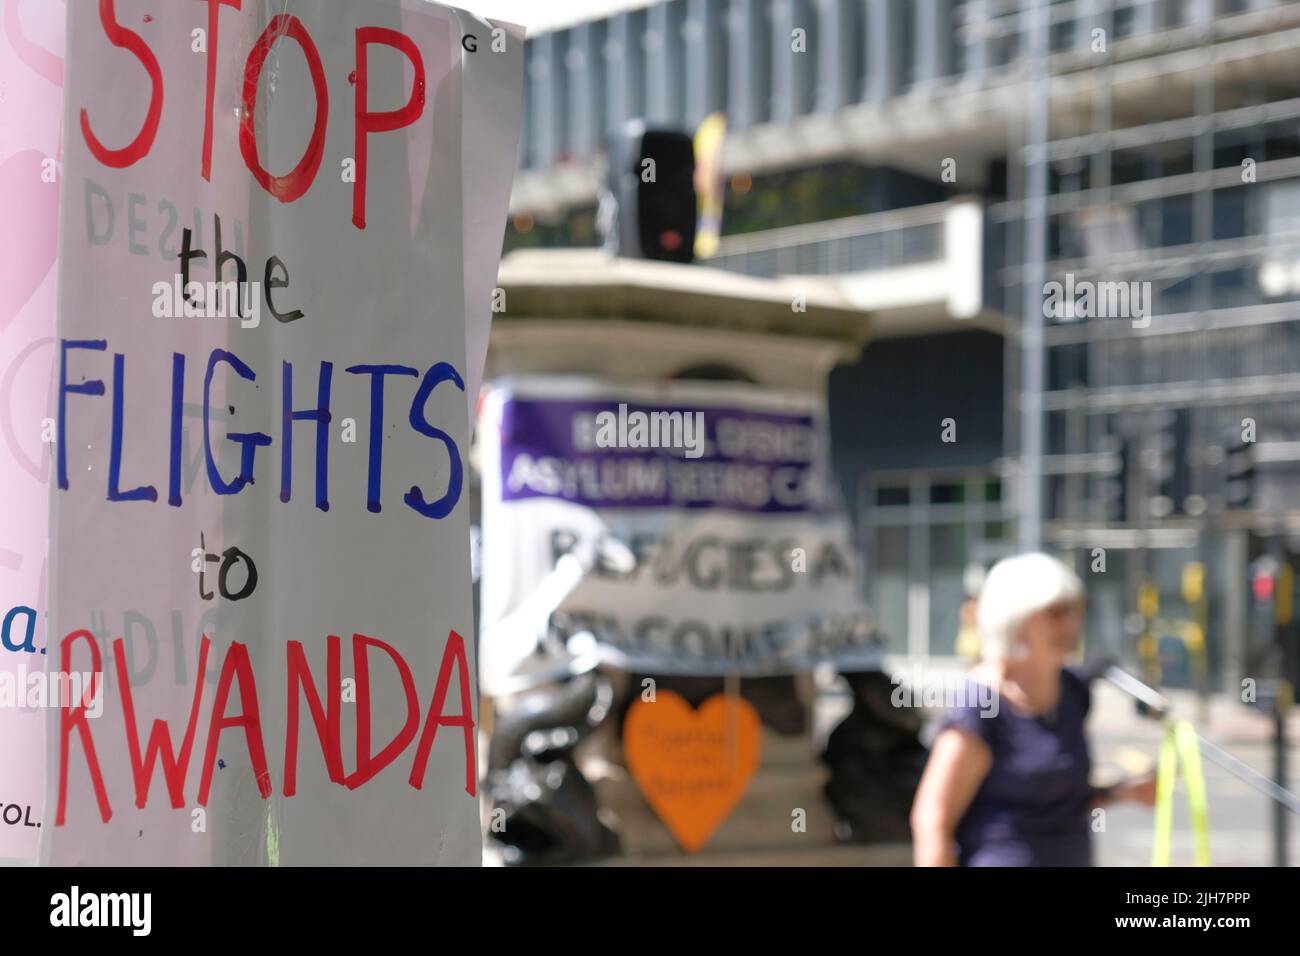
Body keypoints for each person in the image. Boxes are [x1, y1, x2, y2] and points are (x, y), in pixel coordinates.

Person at [910, 552, 1156, 866]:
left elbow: (1059, 800)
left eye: (1075, 610)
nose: (1071, 623)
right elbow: (932, 820)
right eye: (1055, 612)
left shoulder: (1072, 691)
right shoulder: (984, 706)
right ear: (1015, 618)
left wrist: (1122, 792)